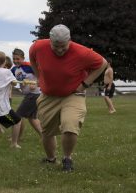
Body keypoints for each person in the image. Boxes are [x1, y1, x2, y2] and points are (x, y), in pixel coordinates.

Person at [29, 24, 107, 171]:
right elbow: (32, 58)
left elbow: (102, 64)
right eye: (55, 46)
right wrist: (39, 76)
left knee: (70, 126)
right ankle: (51, 159)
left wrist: (84, 84)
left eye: (63, 46)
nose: (59, 50)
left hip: (73, 95)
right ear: (50, 41)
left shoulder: (82, 52)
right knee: (46, 132)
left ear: (69, 41)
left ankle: (67, 158)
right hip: (48, 96)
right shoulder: (38, 47)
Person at [11, 48, 42, 142]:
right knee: (32, 118)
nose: (16, 61)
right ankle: (44, 136)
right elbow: (12, 81)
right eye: (14, 59)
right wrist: (14, 83)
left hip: (34, 94)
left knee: (18, 116)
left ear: (23, 58)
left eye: (18, 59)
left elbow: (41, 74)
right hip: (29, 95)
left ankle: (18, 137)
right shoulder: (14, 69)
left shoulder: (29, 66)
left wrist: (36, 83)